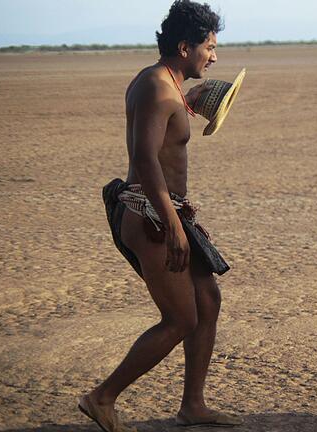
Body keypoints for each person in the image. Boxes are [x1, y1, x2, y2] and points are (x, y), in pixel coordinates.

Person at [78, 1, 244, 430]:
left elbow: (164, 136)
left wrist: (187, 104)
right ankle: (102, 397)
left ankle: (193, 406)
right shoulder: (156, 87)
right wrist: (173, 226)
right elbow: (145, 159)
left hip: (168, 210)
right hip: (152, 214)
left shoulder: (165, 84)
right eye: (209, 47)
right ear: (185, 46)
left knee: (207, 302)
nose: (214, 56)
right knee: (180, 318)